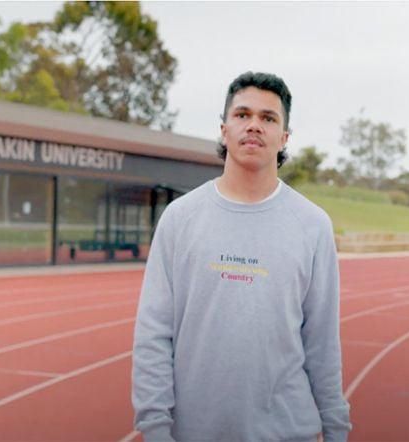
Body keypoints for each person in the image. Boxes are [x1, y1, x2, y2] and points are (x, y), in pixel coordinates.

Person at [132, 71, 351, 441]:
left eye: (268, 118)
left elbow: (322, 343)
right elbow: (154, 333)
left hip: (286, 431)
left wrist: (335, 428)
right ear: (223, 129)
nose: (254, 126)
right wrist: (155, 427)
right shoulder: (180, 219)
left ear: (284, 138)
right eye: (242, 115)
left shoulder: (313, 226)